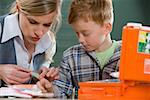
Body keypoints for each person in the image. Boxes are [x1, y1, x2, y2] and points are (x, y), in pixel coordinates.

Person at [37, 0, 122, 98]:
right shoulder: (71, 57)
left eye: (86, 34)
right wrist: (50, 90)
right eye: (77, 33)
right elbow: (61, 91)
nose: (80, 39)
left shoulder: (126, 55)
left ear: (107, 28)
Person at [0, 0, 62, 87]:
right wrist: (1, 71)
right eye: (33, 22)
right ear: (18, 8)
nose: (40, 33)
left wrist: (44, 77)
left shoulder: (48, 42)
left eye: (47, 25)